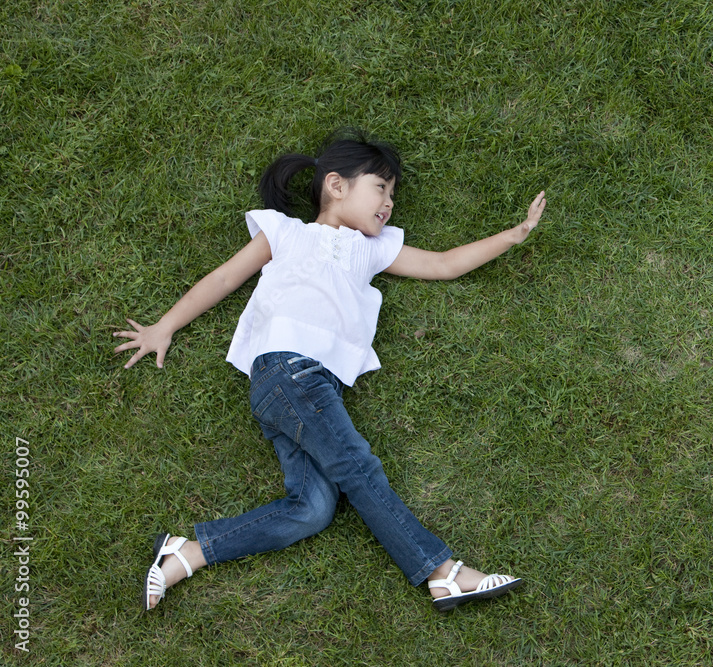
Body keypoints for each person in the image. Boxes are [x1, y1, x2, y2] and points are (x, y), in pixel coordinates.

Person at [114, 130, 546, 612]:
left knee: (312, 510)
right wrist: (164, 327)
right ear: (336, 185)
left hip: (302, 389)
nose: (388, 205)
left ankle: (186, 552)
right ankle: (441, 571)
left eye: (393, 196)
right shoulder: (286, 232)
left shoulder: (373, 248)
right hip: (289, 370)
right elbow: (223, 277)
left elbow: (444, 265)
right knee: (357, 468)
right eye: (381, 188)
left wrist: (514, 234)